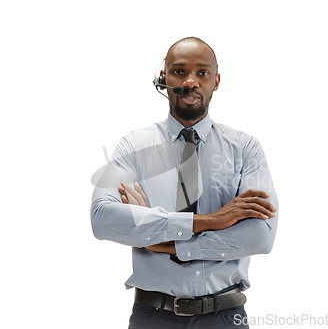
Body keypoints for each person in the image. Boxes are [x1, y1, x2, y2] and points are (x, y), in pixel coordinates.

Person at [91, 37, 278, 328]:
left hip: (225, 317)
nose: (190, 81)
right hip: (152, 316)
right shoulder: (133, 146)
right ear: (163, 78)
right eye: (179, 71)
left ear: (216, 81)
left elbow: (261, 236)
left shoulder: (245, 149)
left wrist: (166, 243)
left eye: (202, 73)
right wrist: (212, 220)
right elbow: (102, 218)